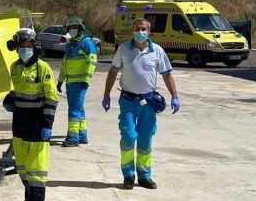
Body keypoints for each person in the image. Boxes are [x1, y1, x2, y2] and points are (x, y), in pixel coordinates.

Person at [102, 18, 180, 190]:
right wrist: (106, 94)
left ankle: (144, 176)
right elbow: (113, 72)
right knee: (129, 137)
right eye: (137, 28)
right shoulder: (123, 49)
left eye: (143, 28)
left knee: (145, 140)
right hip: (128, 101)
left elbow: (167, 74)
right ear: (132, 31)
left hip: (148, 103)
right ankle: (128, 175)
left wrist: (175, 96)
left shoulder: (157, 51)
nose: (140, 31)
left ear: (149, 31)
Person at [2, 28, 57, 201]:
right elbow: (18, 91)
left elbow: (51, 98)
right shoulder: (15, 67)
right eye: (21, 47)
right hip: (19, 123)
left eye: (28, 46)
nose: (25, 50)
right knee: (23, 167)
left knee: (36, 171)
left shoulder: (43, 68)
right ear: (16, 48)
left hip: (37, 125)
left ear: (35, 47)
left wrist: (47, 124)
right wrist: (11, 98)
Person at [57, 16, 98, 147]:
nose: (72, 30)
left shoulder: (86, 43)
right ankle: (82, 136)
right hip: (70, 82)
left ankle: (73, 138)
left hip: (80, 82)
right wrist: (60, 81)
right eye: (70, 28)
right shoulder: (70, 44)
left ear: (80, 29)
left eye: (75, 28)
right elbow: (65, 64)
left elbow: (92, 62)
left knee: (74, 109)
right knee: (78, 108)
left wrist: (87, 79)